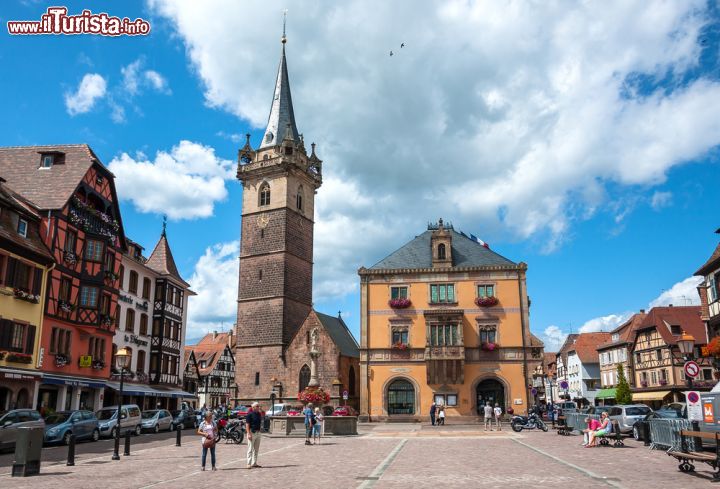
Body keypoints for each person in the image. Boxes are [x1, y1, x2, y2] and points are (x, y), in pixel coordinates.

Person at [245, 402, 263, 468]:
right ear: (253, 407)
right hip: (252, 433)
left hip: (258, 433)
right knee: (250, 449)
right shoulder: (249, 415)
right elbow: (247, 425)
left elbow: (259, 423)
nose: (259, 407)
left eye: (259, 406)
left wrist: (260, 430)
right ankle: (248, 463)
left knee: (256, 449)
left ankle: (254, 463)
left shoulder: (259, 414)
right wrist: (248, 433)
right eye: (257, 406)